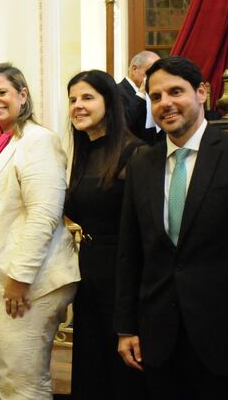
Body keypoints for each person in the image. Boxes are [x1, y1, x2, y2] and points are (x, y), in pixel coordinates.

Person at [115, 56, 228, 399]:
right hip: (159, 339)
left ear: (202, 93)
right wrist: (125, 328)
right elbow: (130, 251)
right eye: (155, 96)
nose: (165, 103)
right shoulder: (141, 164)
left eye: (175, 91)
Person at [0, 63, 79, 399]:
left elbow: (44, 214)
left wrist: (21, 277)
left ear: (22, 95)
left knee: (21, 379)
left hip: (29, 276)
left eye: (1, 92)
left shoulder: (38, 141)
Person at [63, 70, 146, 399]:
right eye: (72, 100)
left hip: (123, 274)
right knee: (91, 368)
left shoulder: (134, 153)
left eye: (86, 98)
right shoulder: (84, 154)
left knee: (121, 374)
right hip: (91, 272)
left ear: (109, 103)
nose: (77, 106)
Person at [118, 51, 160, 145]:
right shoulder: (117, 91)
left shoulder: (154, 92)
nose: (155, 75)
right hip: (133, 151)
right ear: (134, 69)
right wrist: (141, 94)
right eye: (151, 70)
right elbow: (124, 122)